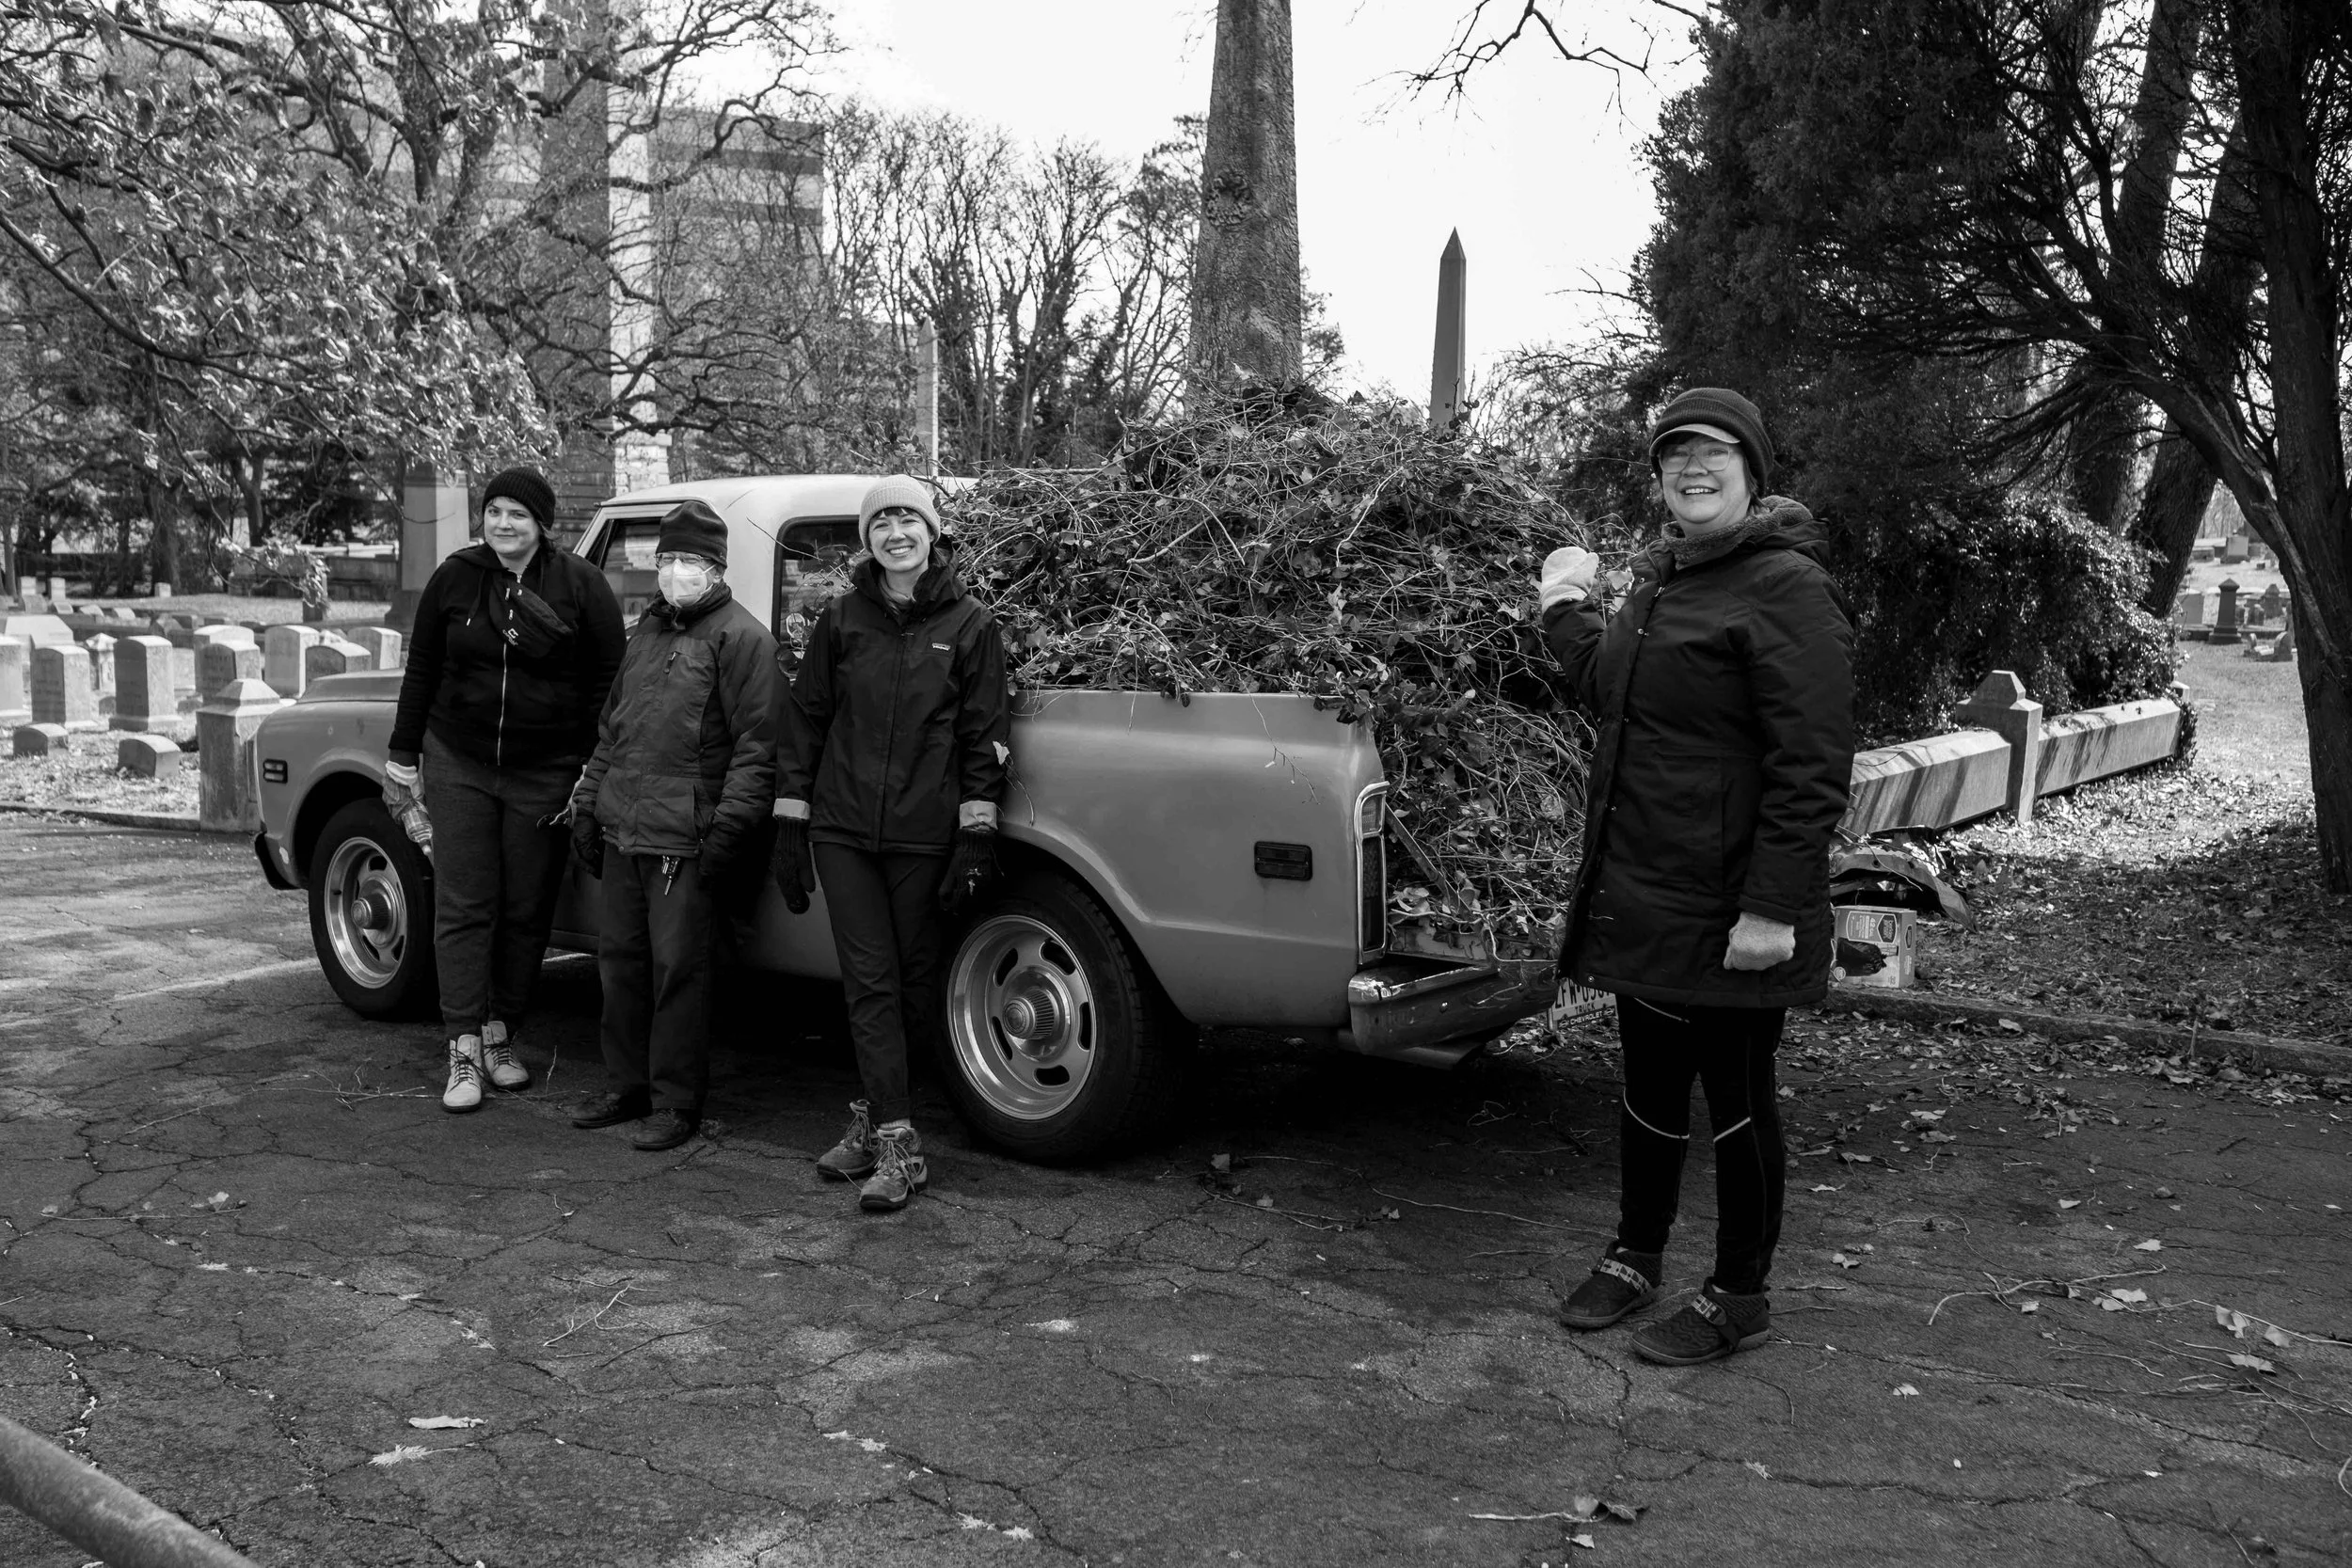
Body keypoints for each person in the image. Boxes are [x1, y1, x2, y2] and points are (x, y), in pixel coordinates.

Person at [1537, 387, 1855, 1366]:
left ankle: (1737, 1293)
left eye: (1714, 450)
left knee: (1738, 1097)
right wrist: (1563, 608)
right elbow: (1612, 689)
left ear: (1752, 470)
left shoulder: (1786, 589)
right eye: (1674, 453)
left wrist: (1768, 909)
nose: (1692, 466)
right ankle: (1634, 1254)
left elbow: (1810, 769)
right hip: (1647, 889)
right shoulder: (1667, 580)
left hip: (1729, 905)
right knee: (1648, 1084)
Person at [771, 475, 1009, 1213]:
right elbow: (807, 718)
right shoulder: (842, 619)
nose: (895, 532)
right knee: (868, 979)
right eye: (881, 522)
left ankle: (876, 1115)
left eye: (909, 518)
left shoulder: (971, 625)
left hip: (920, 832)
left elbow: (985, 735)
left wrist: (975, 834)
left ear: (931, 533)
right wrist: (789, 820)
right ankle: (901, 1147)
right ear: (867, 539)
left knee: (912, 982)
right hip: (844, 828)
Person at [387, 466, 626, 1115]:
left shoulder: (581, 586)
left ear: (542, 522)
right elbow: (423, 669)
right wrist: (402, 756)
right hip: (458, 758)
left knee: (526, 907)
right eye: (494, 511)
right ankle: (462, 1043)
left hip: (545, 769)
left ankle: (501, 1033)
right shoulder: (456, 578)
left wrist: (591, 762)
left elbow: (609, 679)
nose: (503, 523)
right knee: (464, 902)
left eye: (517, 513)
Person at [567, 499, 776, 1152]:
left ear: (716, 567)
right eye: (666, 559)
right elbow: (614, 729)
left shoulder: (742, 638)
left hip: (684, 837)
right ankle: (628, 1085)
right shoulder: (647, 633)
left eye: (689, 560)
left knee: (679, 973)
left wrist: (727, 833)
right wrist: (588, 803)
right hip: (626, 826)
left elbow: (757, 749)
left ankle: (677, 1101)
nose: (675, 571)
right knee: (620, 965)